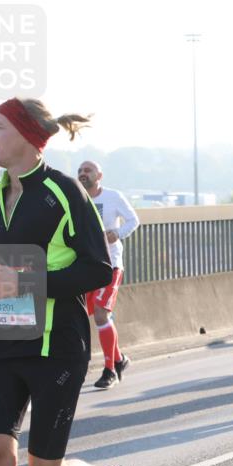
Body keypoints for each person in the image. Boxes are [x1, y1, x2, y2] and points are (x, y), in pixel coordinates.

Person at [0, 98, 147, 466]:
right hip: (6, 340)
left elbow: (97, 268)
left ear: (27, 138)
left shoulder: (64, 191)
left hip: (57, 345)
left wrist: (27, 283)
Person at [76, 161, 138, 389]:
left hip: (110, 264)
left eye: (88, 170)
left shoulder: (113, 197)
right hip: (85, 266)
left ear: (99, 175)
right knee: (94, 317)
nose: (83, 174)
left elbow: (134, 220)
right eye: (80, 171)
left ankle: (110, 369)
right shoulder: (77, 199)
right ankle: (120, 359)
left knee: (101, 314)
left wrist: (117, 233)